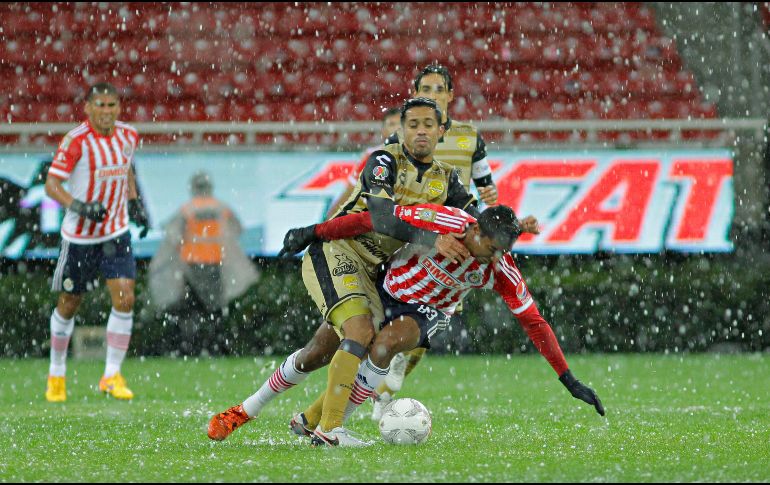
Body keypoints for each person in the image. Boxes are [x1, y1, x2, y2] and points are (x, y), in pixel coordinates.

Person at [208, 97, 478, 446]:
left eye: (429, 124)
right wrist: (434, 238)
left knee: (320, 352)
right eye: (412, 124)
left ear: (442, 131)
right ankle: (330, 430)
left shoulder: (447, 180)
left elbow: (475, 224)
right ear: (401, 129)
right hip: (339, 251)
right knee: (360, 332)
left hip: (376, 272)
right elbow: (381, 217)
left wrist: (506, 229)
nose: (420, 131)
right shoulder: (383, 161)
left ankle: (255, 412)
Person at [297, 204, 605, 428]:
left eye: (503, 251)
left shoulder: (500, 270)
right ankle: (296, 416)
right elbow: (374, 219)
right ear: (474, 230)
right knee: (316, 352)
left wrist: (568, 379)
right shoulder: (446, 220)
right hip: (385, 286)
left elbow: (535, 323)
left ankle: (333, 428)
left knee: (382, 346)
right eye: (493, 248)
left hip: (427, 310)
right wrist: (314, 231)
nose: (496, 257)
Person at [374, 64, 503, 418]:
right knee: (398, 312)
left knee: (433, 317)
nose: (431, 95)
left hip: (455, 239)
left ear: (450, 96)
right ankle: (375, 376)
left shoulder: (470, 137)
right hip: (411, 235)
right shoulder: (400, 139)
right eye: (424, 89)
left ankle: (388, 377)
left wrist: (499, 220)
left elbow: (486, 189)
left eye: (437, 89)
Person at [44, 82, 150, 402]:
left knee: (125, 298)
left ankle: (111, 375)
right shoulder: (76, 141)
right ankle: (57, 373)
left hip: (116, 233)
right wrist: (80, 207)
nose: (106, 111)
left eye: (112, 105)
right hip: (79, 238)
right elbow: (52, 184)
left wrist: (136, 206)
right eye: (100, 105)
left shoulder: (128, 135)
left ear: (119, 108)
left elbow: (127, 171)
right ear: (88, 108)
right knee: (69, 304)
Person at [148, 171, 258, 355]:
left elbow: (173, 235)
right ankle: (216, 346)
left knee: (191, 309)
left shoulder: (187, 209)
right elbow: (237, 228)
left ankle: (189, 347)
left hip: (192, 265)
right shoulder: (222, 208)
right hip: (214, 263)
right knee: (215, 309)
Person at [326, 107, 402, 218]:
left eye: (401, 124)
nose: (397, 128)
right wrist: (329, 220)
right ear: (383, 131)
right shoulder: (372, 156)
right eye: (392, 124)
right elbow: (350, 192)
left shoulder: (422, 155)